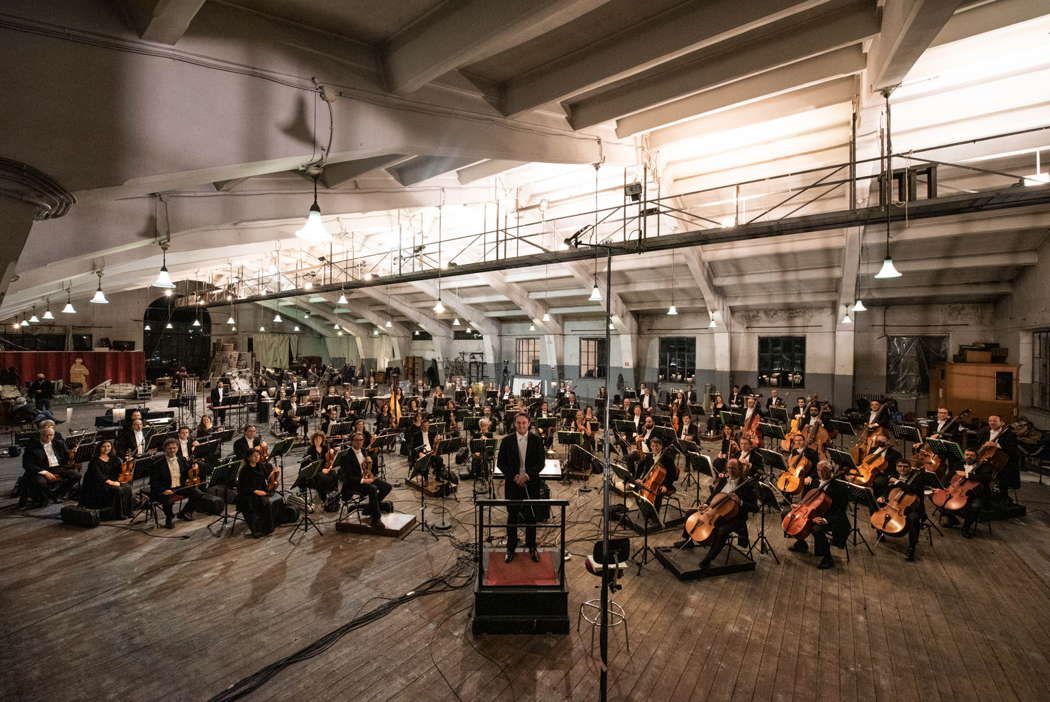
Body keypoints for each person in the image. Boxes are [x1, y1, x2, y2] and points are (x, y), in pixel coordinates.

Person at [680, 458, 757, 572]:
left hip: (735, 517)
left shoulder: (746, 485)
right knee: (690, 513)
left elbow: (755, 508)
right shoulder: (724, 480)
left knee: (722, 531)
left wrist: (740, 501)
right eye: (728, 468)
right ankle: (687, 540)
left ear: (739, 469)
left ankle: (708, 559)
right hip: (715, 511)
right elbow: (715, 495)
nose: (730, 470)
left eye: (733, 468)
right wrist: (706, 504)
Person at [496, 412, 545, 563]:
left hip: (531, 484)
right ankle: (510, 548)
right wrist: (514, 476)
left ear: (529, 424)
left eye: (524, 423)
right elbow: (501, 463)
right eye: (519, 423)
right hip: (513, 484)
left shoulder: (537, 441)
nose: (521, 426)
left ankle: (531, 547)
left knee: (531, 517)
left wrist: (527, 475)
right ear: (514, 424)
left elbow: (540, 463)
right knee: (512, 517)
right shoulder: (506, 441)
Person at [788, 461, 849, 569]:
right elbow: (806, 500)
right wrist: (798, 506)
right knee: (786, 514)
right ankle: (801, 544)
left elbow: (840, 512)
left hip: (830, 517)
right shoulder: (814, 483)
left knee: (817, 529)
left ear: (830, 471)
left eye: (823, 470)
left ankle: (827, 558)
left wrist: (825, 520)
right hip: (811, 513)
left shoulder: (840, 488)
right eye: (819, 470)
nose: (820, 473)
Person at [874, 460, 939, 561]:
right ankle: (879, 531)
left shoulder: (917, 478)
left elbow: (912, 489)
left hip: (913, 508)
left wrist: (897, 482)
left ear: (910, 468)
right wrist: (882, 496)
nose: (902, 469)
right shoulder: (894, 475)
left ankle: (911, 547)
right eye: (899, 466)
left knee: (914, 518)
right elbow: (888, 489)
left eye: (905, 467)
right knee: (876, 505)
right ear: (896, 467)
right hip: (895, 504)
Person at [339, 432, 392, 528]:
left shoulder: (363, 451)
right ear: (352, 442)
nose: (359, 442)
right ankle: (376, 519)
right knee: (373, 488)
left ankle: (369, 508)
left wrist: (370, 463)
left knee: (387, 487)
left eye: (361, 440)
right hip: (354, 483)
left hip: (366, 477)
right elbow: (347, 477)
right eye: (357, 440)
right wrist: (364, 481)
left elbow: (368, 468)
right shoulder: (346, 456)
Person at [149, 439, 203, 529]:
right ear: (165, 449)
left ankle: (184, 513)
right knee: (167, 500)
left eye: (174, 448)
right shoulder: (157, 464)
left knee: (197, 493)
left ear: (178, 448)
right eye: (169, 448)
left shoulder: (181, 459)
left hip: (179, 487)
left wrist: (194, 466)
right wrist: (163, 490)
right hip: (165, 489)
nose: (172, 450)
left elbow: (187, 470)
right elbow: (153, 482)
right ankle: (169, 519)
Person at [21, 425, 78, 506]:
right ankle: (46, 497)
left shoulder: (58, 443)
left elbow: (66, 457)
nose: (48, 437)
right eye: (45, 435)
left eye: (51, 435)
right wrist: (45, 472)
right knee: (40, 482)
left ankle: (57, 494)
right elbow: (27, 464)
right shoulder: (32, 447)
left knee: (76, 475)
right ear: (40, 435)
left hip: (57, 467)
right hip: (41, 469)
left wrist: (71, 453)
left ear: (54, 435)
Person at [79, 440, 133, 519]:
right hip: (99, 484)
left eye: (108, 446)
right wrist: (111, 482)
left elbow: (120, 471)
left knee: (128, 488)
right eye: (103, 446)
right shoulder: (94, 461)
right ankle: (119, 514)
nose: (106, 448)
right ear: (99, 448)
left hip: (112, 481)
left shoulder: (114, 458)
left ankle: (128, 511)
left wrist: (127, 463)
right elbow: (98, 476)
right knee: (117, 490)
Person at [236, 446, 283, 536]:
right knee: (263, 502)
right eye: (254, 456)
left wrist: (274, 472)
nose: (257, 457)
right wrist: (255, 491)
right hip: (247, 494)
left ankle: (273, 523)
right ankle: (260, 529)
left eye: (258, 455)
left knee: (277, 498)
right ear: (248, 458)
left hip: (261, 490)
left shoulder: (260, 465)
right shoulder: (245, 470)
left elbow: (267, 476)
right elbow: (243, 487)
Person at [977, 414, 1020, 502]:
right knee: (978, 472)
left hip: (1003, 462)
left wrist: (997, 445)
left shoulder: (1009, 434)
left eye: (995, 421)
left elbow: (1013, 449)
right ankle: (985, 494)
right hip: (987, 459)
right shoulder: (985, 431)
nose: (992, 423)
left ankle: (1003, 496)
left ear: (1002, 422)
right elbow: (979, 445)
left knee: (1002, 476)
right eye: (990, 421)